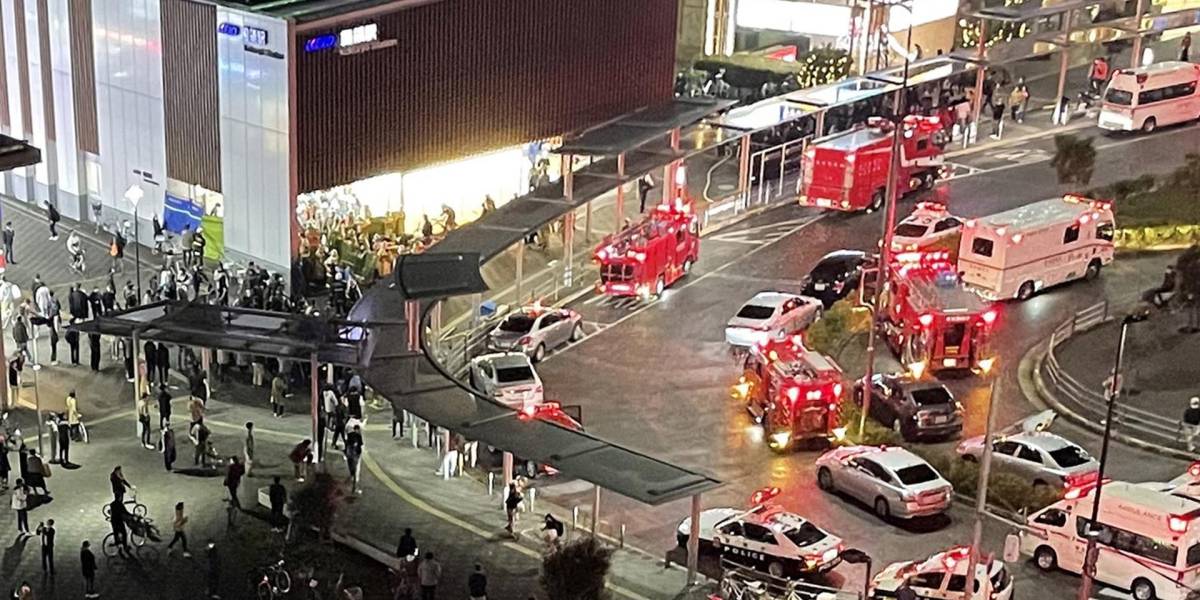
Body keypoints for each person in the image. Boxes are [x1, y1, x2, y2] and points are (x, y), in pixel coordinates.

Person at [345, 424, 363, 493]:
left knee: (352, 467)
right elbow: (360, 445)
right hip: (355, 454)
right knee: (356, 469)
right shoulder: (358, 436)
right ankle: (355, 485)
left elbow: (347, 444)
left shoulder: (350, 435)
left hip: (351, 453)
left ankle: (352, 476)